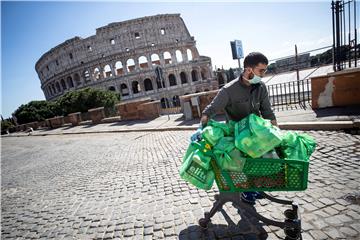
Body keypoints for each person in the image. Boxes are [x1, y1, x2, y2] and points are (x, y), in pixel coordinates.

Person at [199, 52, 277, 204]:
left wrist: (277, 132)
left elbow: (267, 111)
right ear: (249, 70)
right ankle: (246, 190)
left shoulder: (260, 87)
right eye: (261, 71)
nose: (264, 74)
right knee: (242, 162)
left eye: (265, 71)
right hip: (236, 136)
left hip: (256, 134)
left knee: (262, 159)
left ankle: (255, 187)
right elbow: (211, 110)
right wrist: (202, 128)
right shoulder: (229, 90)